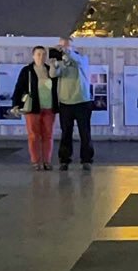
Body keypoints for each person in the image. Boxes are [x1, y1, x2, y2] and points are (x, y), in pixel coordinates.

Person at [10, 46, 58, 169]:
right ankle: (36, 161)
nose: (41, 57)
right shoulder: (27, 71)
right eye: (38, 54)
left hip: (49, 108)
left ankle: (47, 161)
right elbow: (19, 88)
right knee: (33, 135)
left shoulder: (50, 70)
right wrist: (15, 104)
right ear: (33, 56)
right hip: (33, 108)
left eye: (43, 54)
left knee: (48, 135)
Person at [53, 36, 95, 171]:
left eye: (66, 45)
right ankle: (64, 160)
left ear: (72, 47)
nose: (63, 48)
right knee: (66, 133)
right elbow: (54, 74)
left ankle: (86, 160)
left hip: (82, 101)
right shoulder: (60, 61)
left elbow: (77, 61)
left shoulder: (82, 58)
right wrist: (55, 62)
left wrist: (67, 52)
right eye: (61, 46)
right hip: (65, 102)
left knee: (85, 132)